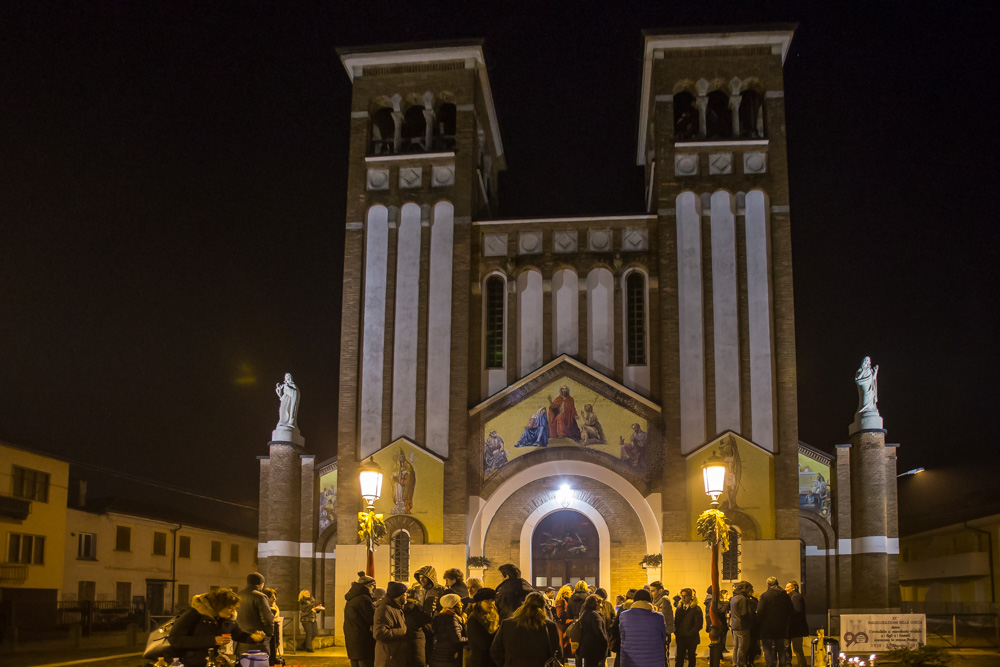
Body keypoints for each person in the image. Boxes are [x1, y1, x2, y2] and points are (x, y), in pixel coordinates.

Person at [168, 588, 266, 667]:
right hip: (188, 663)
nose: (232, 611)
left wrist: (254, 638)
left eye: (234, 607)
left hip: (212, 661)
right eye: (229, 607)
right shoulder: (194, 614)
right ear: (218, 606)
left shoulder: (228, 619)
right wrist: (213, 640)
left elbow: (238, 634)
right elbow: (175, 639)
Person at [490, 592, 562, 667]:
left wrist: (506, 663)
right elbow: (558, 653)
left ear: (525, 604)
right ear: (543, 607)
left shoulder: (507, 624)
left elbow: (495, 651)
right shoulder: (549, 626)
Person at [617, 589, 666, 667]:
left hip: (630, 660)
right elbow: (663, 637)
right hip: (653, 659)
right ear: (650, 601)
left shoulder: (624, 615)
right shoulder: (658, 617)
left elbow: (622, 635)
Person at [756, 577, 792, 667]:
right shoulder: (785, 595)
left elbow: (760, 612)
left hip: (767, 628)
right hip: (782, 627)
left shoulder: (765, 596)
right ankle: (783, 665)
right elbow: (791, 610)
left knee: (768, 648)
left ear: (767, 585)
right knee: (781, 648)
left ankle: (771, 665)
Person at [236, 572, 274, 659]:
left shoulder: (238, 595)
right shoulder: (260, 596)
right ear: (261, 584)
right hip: (257, 639)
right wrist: (268, 634)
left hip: (241, 639)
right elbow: (267, 618)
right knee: (258, 662)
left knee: (243, 662)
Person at [345, 571, 378, 667]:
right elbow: (372, 618)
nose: (374, 589)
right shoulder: (364, 598)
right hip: (363, 638)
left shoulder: (352, 597)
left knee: (355, 662)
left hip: (352, 637)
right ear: (368, 586)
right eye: (373, 586)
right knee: (365, 662)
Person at [374, 581, 409, 667]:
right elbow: (379, 633)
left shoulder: (396, 608)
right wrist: (401, 631)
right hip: (388, 658)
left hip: (394, 656)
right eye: (405, 593)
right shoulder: (385, 609)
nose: (407, 595)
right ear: (398, 595)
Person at [429, 593, 466, 667]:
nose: (462, 604)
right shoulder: (451, 618)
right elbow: (457, 639)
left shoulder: (441, 616)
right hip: (449, 658)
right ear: (453, 605)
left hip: (439, 656)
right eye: (459, 602)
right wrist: (471, 640)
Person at [466, 588, 499, 667]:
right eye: (487, 601)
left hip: (493, 662)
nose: (491, 603)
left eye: (492, 600)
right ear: (479, 603)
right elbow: (484, 645)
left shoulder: (495, 616)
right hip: (480, 662)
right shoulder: (474, 620)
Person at [402, 583, 433, 667]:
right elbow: (430, 630)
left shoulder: (402, 610)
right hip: (417, 648)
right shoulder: (417, 612)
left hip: (405, 648)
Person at [576, 594, 609, 667]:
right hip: (594, 647)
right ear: (596, 604)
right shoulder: (595, 615)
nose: (601, 606)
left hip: (587, 646)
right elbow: (599, 632)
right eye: (600, 603)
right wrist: (605, 642)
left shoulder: (585, 612)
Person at [674, 588, 703, 667]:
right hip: (681, 637)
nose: (683, 598)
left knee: (691, 656)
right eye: (682, 596)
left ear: (691, 597)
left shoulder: (696, 609)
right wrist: (677, 632)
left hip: (691, 638)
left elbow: (698, 624)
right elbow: (676, 622)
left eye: (685, 596)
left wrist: (690, 633)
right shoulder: (679, 608)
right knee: (679, 657)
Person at [785, 581, 808, 667]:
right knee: (797, 648)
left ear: (794, 588)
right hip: (796, 628)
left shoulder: (795, 597)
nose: (785, 589)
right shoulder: (795, 596)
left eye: (788, 587)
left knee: (797, 648)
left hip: (795, 628)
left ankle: (802, 664)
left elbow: (796, 611)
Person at [730, 582, 753, 667]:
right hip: (742, 625)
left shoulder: (733, 598)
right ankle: (740, 664)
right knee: (742, 647)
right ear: (744, 588)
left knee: (736, 646)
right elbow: (744, 613)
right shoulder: (742, 598)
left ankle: (735, 663)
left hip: (735, 624)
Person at [650, 581, 675, 660]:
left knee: (663, 656)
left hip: (664, 632)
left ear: (660, 591)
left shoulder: (664, 600)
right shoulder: (656, 600)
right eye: (650, 591)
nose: (651, 593)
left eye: (653, 591)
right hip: (659, 632)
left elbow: (661, 617)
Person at [262, 587, 283, 664]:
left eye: (274, 596)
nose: (274, 599)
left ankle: (273, 659)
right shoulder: (267, 608)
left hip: (275, 627)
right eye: (272, 597)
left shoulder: (275, 607)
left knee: (275, 644)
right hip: (268, 629)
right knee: (270, 646)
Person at [553, 585, 574, 657]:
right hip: (563, 626)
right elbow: (560, 614)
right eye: (570, 591)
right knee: (564, 647)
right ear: (566, 592)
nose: (571, 593)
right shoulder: (562, 601)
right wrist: (569, 614)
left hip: (565, 626)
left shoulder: (566, 601)